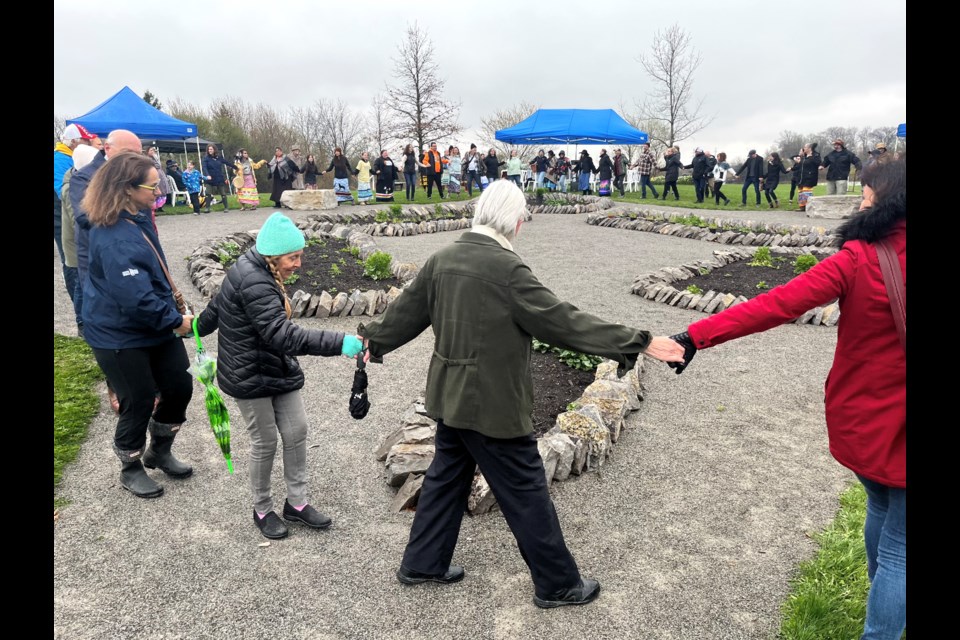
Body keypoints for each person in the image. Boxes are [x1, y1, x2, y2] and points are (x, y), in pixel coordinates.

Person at [356, 179, 685, 608]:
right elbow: (563, 321)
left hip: (450, 398)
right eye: (522, 218)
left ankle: (423, 563)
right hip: (490, 403)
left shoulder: (442, 259)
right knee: (526, 491)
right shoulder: (507, 270)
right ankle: (558, 584)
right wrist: (638, 340)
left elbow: (404, 315)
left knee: (446, 479)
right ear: (514, 220)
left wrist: (371, 343)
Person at [667, 157, 905, 640]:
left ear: (886, 199)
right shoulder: (857, 256)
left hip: (863, 416)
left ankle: (882, 610)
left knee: (885, 515)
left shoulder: (857, 258)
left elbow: (774, 305)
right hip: (891, 423)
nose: (861, 199)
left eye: (867, 193)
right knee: (896, 531)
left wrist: (695, 334)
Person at [194, 212, 365, 538]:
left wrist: (196, 328)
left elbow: (215, 309)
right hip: (248, 374)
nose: (299, 263)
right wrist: (341, 342)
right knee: (265, 441)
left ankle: (296, 504)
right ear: (273, 255)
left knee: (297, 430)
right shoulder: (253, 279)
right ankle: (262, 509)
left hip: (275, 367)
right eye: (293, 257)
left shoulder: (256, 268)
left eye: (299, 255)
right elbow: (283, 336)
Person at [79, 151, 195, 499]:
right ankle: (130, 465)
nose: (158, 191)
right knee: (139, 398)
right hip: (118, 332)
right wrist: (176, 322)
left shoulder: (138, 216)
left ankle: (159, 450)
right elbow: (135, 298)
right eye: (152, 185)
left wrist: (171, 315)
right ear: (127, 188)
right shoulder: (113, 237)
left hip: (151, 324)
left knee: (179, 385)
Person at [70, 129, 145, 346]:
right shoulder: (84, 177)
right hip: (102, 262)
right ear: (107, 149)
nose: (135, 159)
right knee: (111, 318)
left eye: (138, 154)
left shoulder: (137, 175)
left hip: (136, 254)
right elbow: (86, 216)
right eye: (128, 153)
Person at [54, 123, 98, 329]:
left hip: (73, 220)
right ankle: (82, 321)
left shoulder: (73, 157)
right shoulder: (61, 159)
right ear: (73, 141)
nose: (88, 142)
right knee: (75, 271)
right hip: (65, 223)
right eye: (85, 139)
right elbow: (64, 193)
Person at [202, 144, 235, 212]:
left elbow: (227, 162)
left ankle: (226, 207)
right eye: (209, 149)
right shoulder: (206, 158)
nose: (210, 150)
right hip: (210, 178)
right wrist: (207, 175)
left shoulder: (219, 157)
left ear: (214, 150)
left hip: (219, 177)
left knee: (222, 193)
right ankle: (207, 208)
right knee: (208, 193)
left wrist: (236, 167)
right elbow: (204, 168)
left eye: (211, 149)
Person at [796, 142, 822, 212]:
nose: (804, 149)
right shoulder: (804, 157)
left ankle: (808, 206)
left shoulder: (815, 156)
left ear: (809, 148)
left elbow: (819, 163)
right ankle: (802, 207)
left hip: (810, 177)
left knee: (806, 191)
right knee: (801, 192)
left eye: (805, 147)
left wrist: (811, 157)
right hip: (802, 178)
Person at [145, 147, 171, 213]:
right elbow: (156, 165)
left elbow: (159, 165)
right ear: (147, 151)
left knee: (162, 190)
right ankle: (154, 208)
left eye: (153, 150)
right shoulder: (147, 159)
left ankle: (160, 206)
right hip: (154, 175)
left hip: (160, 175)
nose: (153, 151)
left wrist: (156, 157)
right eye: (151, 150)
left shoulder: (156, 158)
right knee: (155, 190)